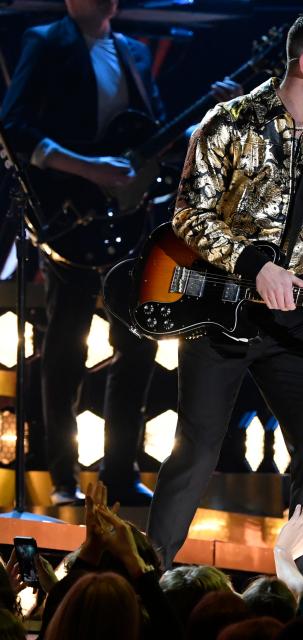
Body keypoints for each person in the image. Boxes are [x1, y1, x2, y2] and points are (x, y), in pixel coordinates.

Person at [145, 9, 303, 576]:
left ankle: (302, 587)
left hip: (293, 322)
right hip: (219, 310)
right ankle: (146, 580)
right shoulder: (230, 122)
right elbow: (189, 216)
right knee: (197, 450)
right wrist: (254, 263)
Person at [0, 0, 166, 505]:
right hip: (71, 217)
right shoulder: (47, 41)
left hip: (127, 217)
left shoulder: (133, 52)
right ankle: (63, 478)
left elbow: (151, 130)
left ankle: (119, 472)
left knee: (138, 343)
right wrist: (89, 168)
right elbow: (15, 126)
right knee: (67, 345)